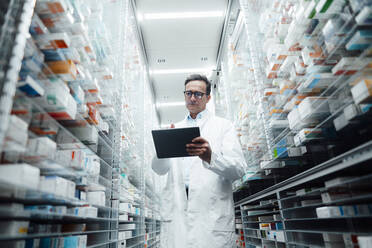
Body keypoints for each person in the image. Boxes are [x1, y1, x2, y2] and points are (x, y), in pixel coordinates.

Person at [152, 74, 247, 248]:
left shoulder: (223, 127)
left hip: (211, 216)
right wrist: (162, 147)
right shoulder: (175, 128)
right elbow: (159, 169)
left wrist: (211, 157)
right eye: (189, 93)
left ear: (208, 98)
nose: (192, 98)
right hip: (179, 213)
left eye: (198, 94)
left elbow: (239, 169)